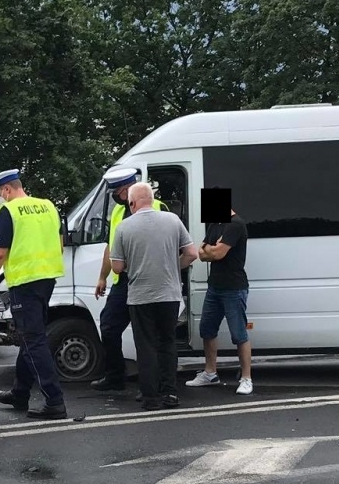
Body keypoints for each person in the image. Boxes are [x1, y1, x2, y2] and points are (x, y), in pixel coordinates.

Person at [0, 168, 67, 420]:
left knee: (34, 340)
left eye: (0, 192)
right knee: (31, 338)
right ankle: (20, 393)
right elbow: (59, 243)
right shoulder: (48, 206)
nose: (1, 197)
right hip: (47, 279)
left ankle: (55, 401)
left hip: (25, 282)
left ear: (7, 189)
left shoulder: (9, 211)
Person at [110, 182, 198, 410]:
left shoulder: (124, 227)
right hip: (169, 294)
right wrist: (173, 265)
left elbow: (117, 267)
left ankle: (150, 397)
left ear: (132, 203)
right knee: (167, 343)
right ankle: (170, 393)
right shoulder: (172, 220)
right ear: (151, 199)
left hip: (140, 296)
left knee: (146, 346)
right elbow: (192, 254)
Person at [90, 166, 165, 394]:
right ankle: (115, 375)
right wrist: (102, 277)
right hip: (123, 282)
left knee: (149, 335)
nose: (115, 196)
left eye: (116, 192)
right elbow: (111, 248)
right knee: (109, 326)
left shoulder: (159, 209)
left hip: (149, 280)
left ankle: (155, 384)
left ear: (126, 189)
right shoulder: (117, 213)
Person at [185, 203, 253, 394]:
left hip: (234, 287)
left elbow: (218, 253)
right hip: (214, 287)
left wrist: (211, 250)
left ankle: (247, 378)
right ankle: (210, 373)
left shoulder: (236, 224)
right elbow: (201, 253)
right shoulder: (215, 225)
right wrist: (211, 249)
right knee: (207, 329)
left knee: (239, 334)